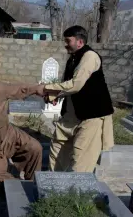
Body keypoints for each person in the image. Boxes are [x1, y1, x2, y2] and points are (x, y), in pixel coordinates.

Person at [43, 25, 114, 173]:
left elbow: (76, 85)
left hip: (91, 116)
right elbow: (66, 85)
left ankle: (75, 194)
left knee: (80, 159)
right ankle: (53, 187)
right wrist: (55, 95)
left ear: (80, 42)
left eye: (68, 41)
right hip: (72, 114)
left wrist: (46, 88)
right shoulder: (73, 59)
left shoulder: (90, 57)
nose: (65, 44)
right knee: (57, 148)